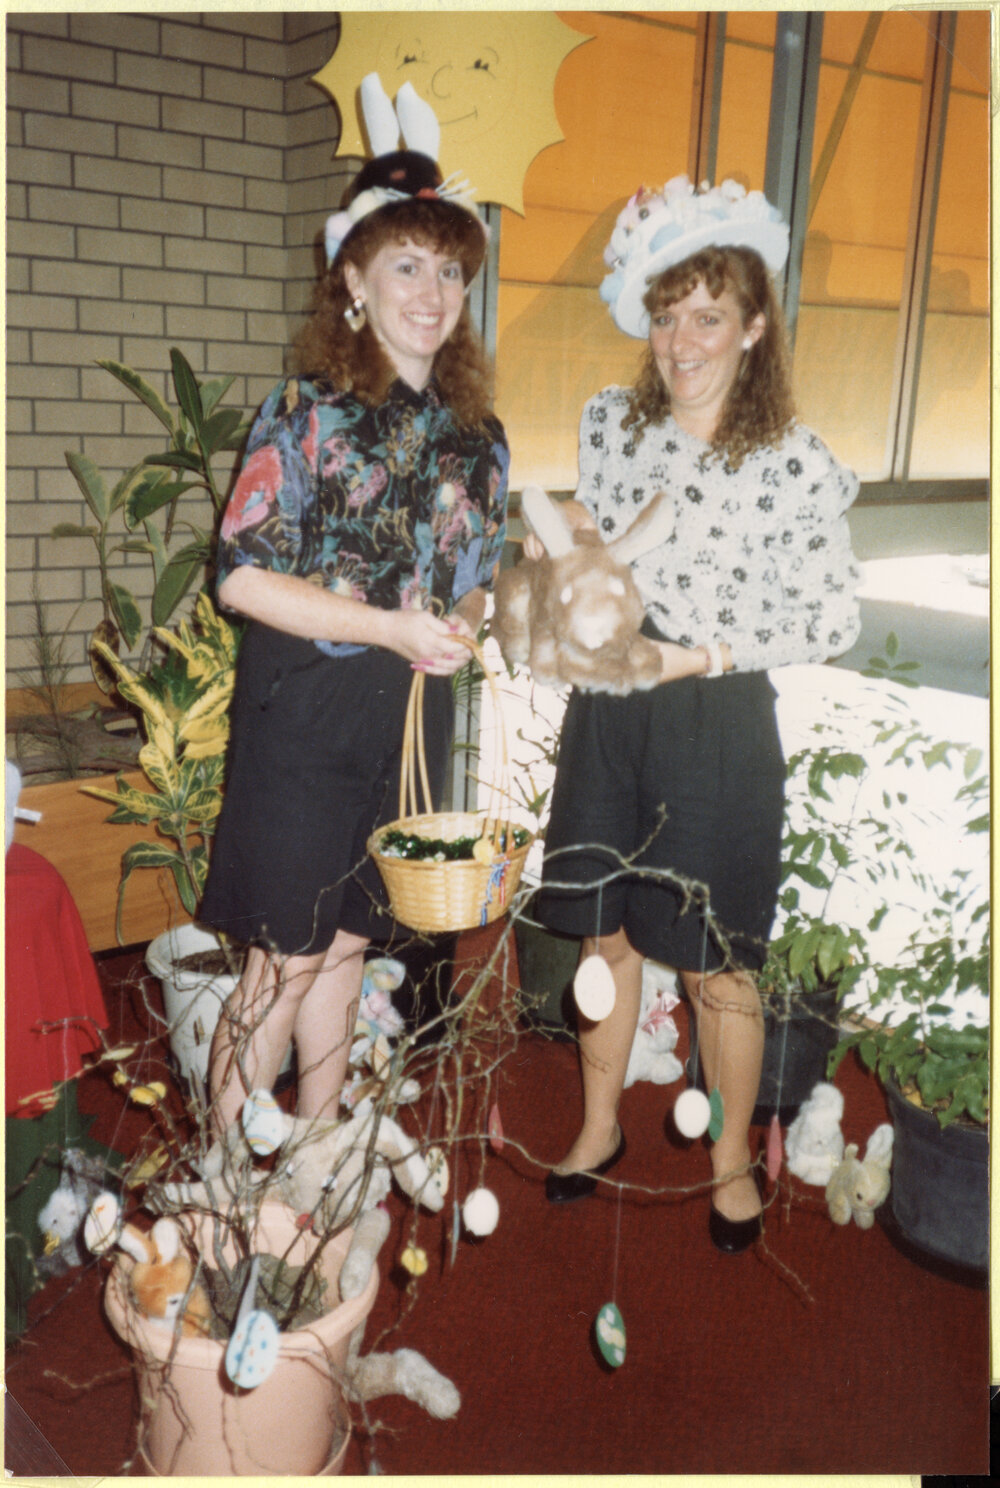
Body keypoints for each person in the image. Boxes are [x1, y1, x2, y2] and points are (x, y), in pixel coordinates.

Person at [533, 176, 860, 1251]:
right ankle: (598, 1126)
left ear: (754, 325)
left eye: (707, 317)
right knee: (607, 936)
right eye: (666, 316)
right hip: (612, 709)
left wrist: (703, 654)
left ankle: (728, 1164)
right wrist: (565, 545)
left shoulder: (793, 463)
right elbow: (596, 547)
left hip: (716, 719)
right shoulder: (612, 425)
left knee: (719, 960)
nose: (681, 343)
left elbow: (833, 617)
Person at [201, 83, 509, 1135]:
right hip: (305, 715)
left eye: (449, 270)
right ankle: (224, 1182)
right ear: (354, 279)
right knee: (281, 963)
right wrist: (387, 626)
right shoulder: (305, 412)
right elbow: (240, 577)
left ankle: (320, 1157)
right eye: (406, 265)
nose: (432, 291)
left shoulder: (479, 436)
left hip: (408, 718)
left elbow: (476, 576)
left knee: (345, 949)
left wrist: (468, 623)